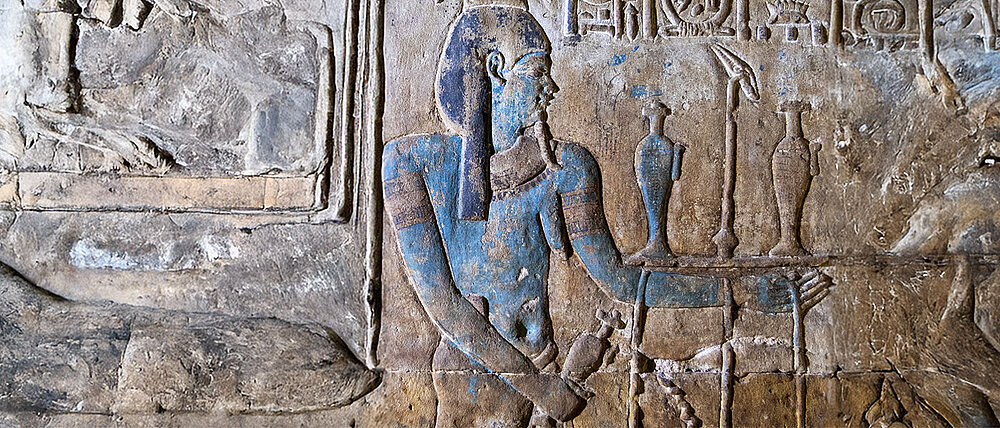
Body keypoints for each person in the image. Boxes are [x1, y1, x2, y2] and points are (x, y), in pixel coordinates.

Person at [382, 1, 828, 425]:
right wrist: (541, 389)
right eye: (538, 72)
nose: (551, 89)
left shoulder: (568, 167)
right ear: (497, 70)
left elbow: (620, 281)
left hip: (545, 364)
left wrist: (738, 292)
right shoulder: (409, 164)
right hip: (474, 377)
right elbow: (443, 304)